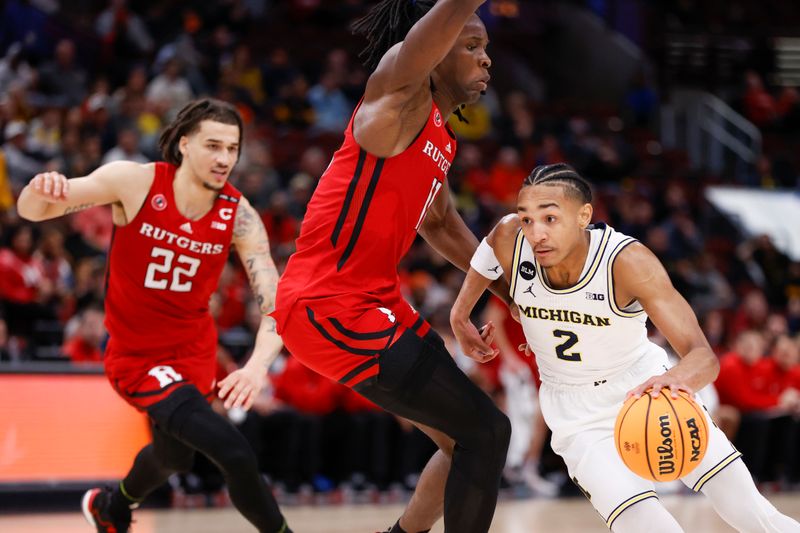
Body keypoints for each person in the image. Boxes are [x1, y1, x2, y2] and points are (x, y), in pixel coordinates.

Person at [450, 163, 800, 533]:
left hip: (646, 390)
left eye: (550, 218)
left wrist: (676, 380)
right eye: (527, 219)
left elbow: (702, 355)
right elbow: (486, 252)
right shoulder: (509, 236)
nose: (536, 233)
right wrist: (462, 312)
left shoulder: (626, 262)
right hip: (576, 414)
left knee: (756, 516)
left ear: (584, 215)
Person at [273, 1, 511, 532]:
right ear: (437, 48)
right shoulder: (399, 94)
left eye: (487, 48)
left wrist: (509, 296)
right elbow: (444, 18)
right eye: (472, 46)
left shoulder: (440, 136)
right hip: (324, 304)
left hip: (376, 304)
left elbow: (442, 225)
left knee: (466, 442)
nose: (486, 59)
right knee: (486, 432)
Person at [17, 98, 291, 533]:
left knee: (173, 457)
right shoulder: (135, 182)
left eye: (232, 149)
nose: (224, 159)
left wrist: (256, 366)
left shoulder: (239, 216)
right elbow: (34, 211)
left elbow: (276, 305)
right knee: (234, 453)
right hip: (138, 358)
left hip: (192, 355)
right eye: (213, 146)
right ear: (184, 144)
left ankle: (112, 506)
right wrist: (39, 190)